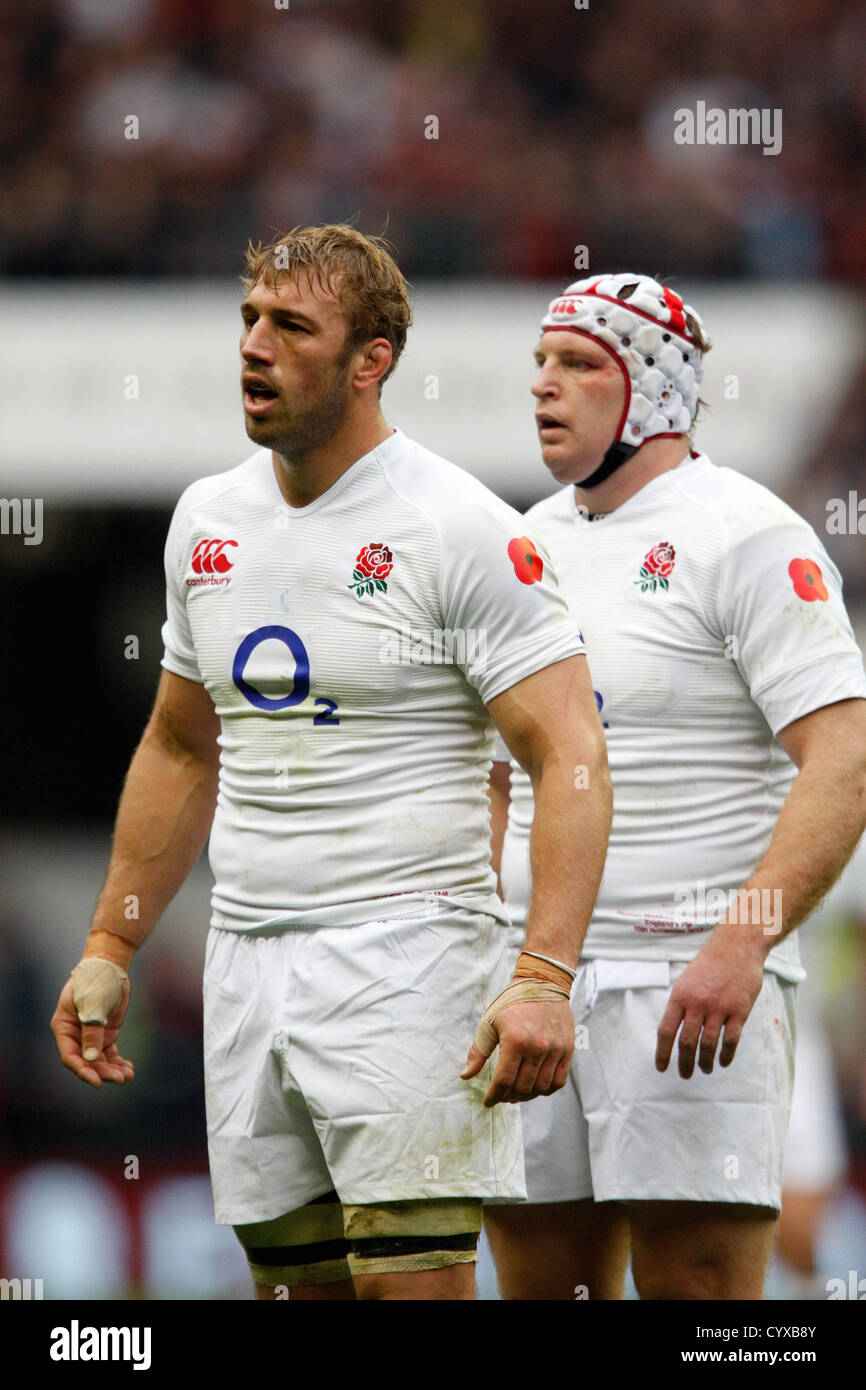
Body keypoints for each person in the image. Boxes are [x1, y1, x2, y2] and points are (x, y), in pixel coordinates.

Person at [49, 226, 612, 1302]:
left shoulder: (454, 527)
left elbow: (570, 752)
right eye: (250, 321)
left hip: (407, 959)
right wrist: (109, 942)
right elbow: (179, 743)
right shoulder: (205, 521)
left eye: (291, 327)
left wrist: (541, 975)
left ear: (371, 361)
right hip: (249, 961)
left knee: (409, 1289)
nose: (255, 347)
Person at [484, 272, 866, 1301]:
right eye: (537, 363)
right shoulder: (520, 542)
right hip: (537, 988)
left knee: (700, 1305)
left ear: (651, 388)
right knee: (539, 1289)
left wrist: (739, 942)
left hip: (684, 989)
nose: (542, 386)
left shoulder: (747, 533)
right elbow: (493, 774)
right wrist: (496, 949)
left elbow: (843, 757)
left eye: (574, 363)